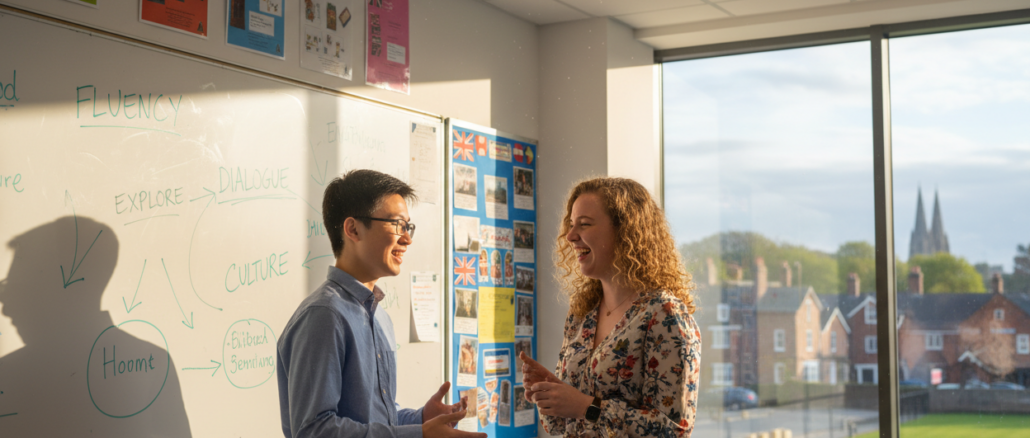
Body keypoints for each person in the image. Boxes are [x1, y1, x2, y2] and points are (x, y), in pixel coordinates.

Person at [276, 169, 485, 438]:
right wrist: (417, 434)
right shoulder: (324, 315)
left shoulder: (378, 316)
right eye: (397, 224)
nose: (407, 239)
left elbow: (375, 418)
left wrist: (421, 418)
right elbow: (314, 430)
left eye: (408, 227)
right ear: (353, 229)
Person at [519, 177, 701, 437]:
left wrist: (586, 407)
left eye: (584, 224)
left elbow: (673, 431)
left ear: (625, 231)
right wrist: (549, 393)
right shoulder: (582, 315)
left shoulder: (665, 316)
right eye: (571, 226)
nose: (570, 236)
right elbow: (558, 426)